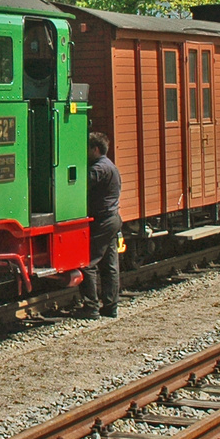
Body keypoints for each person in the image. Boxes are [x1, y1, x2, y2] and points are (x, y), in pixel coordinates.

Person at [76, 131, 122, 320]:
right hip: (112, 219)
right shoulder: (109, 165)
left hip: (103, 221)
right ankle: (110, 307)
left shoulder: (99, 168)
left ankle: (91, 307)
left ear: (95, 149)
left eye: (86, 149)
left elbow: (80, 184)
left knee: (87, 263)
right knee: (110, 265)